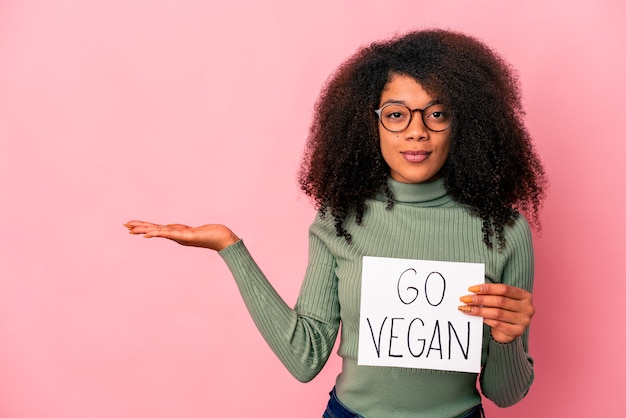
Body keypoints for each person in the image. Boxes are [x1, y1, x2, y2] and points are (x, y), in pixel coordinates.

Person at [125, 29, 546, 418]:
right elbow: (305, 357)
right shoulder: (340, 218)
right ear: (371, 123)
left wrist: (508, 339)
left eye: (436, 114)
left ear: (464, 124)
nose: (416, 132)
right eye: (396, 115)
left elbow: (506, 394)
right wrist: (229, 247)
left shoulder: (505, 232)